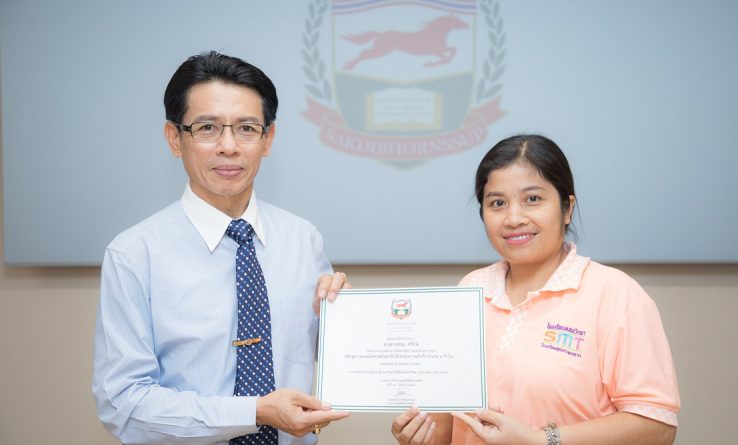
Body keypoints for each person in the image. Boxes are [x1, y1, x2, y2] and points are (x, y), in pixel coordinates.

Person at [92, 51, 349, 445]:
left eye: (246, 128)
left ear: (267, 139)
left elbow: (333, 363)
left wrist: (342, 322)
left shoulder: (303, 239)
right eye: (208, 128)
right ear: (174, 138)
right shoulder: (134, 254)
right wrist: (253, 412)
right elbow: (124, 404)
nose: (229, 146)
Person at [389, 134, 680, 445]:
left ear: (567, 208)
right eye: (498, 203)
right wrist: (420, 436)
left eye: (533, 199)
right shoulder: (470, 290)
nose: (514, 218)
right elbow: (449, 426)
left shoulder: (616, 294)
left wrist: (541, 440)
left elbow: (657, 427)